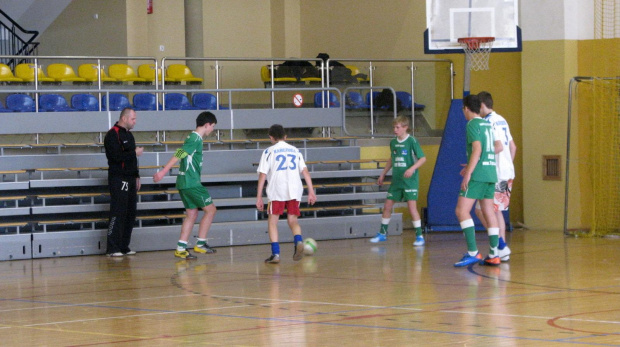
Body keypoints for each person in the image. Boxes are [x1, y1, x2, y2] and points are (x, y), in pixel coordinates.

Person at [153, 112, 218, 259]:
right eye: (212, 126)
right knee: (211, 210)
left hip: (184, 182)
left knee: (192, 214)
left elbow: (182, 152)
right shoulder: (195, 138)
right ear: (207, 124)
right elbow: (179, 153)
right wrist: (163, 171)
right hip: (191, 182)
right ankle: (200, 244)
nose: (212, 130)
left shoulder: (192, 137)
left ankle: (181, 248)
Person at [256, 124, 317, 264]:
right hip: (295, 189)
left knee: (273, 221)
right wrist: (311, 192)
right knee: (293, 220)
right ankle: (298, 241)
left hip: (277, 189)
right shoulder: (295, 150)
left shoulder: (268, 152)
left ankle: (276, 254)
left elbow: (262, 175)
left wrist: (259, 196)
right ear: (285, 137)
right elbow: (305, 172)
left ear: (271, 137)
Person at [454, 95, 500, 267]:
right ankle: (494, 254)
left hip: (478, 175)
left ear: (466, 108)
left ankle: (473, 252)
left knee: (461, 211)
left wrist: (468, 174)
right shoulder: (487, 124)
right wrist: (471, 166)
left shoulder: (472, 124)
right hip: (490, 173)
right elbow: (492, 148)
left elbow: (477, 149)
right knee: (489, 211)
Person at [370, 115, 427, 246]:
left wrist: (412, 168)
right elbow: (392, 158)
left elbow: (422, 158)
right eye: (394, 127)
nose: (395, 129)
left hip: (409, 181)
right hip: (396, 181)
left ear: (405, 128)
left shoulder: (412, 141)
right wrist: (383, 174)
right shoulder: (393, 142)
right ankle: (382, 233)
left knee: (412, 208)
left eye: (398, 127)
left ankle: (419, 236)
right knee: (387, 206)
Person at [474, 91, 517, 262]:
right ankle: (501, 248)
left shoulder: (488, 122)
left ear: (482, 105)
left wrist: (480, 159)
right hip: (507, 171)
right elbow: (513, 147)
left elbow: (498, 147)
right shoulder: (502, 119)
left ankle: (501, 246)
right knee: (496, 211)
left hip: (495, 172)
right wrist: (508, 164)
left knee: (481, 210)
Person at [104, 108, 143, 257]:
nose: (135, 122)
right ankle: (112, 247)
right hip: (118, 178)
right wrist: (134, 152)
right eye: (133, 119)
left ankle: (124, 246)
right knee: (118, 212)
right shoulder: (112, 135)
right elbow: (115, 156)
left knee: (130, 213)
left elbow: (132, 160)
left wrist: (137, 176)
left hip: (131, 178)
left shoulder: (129, 135)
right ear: (125, 118)